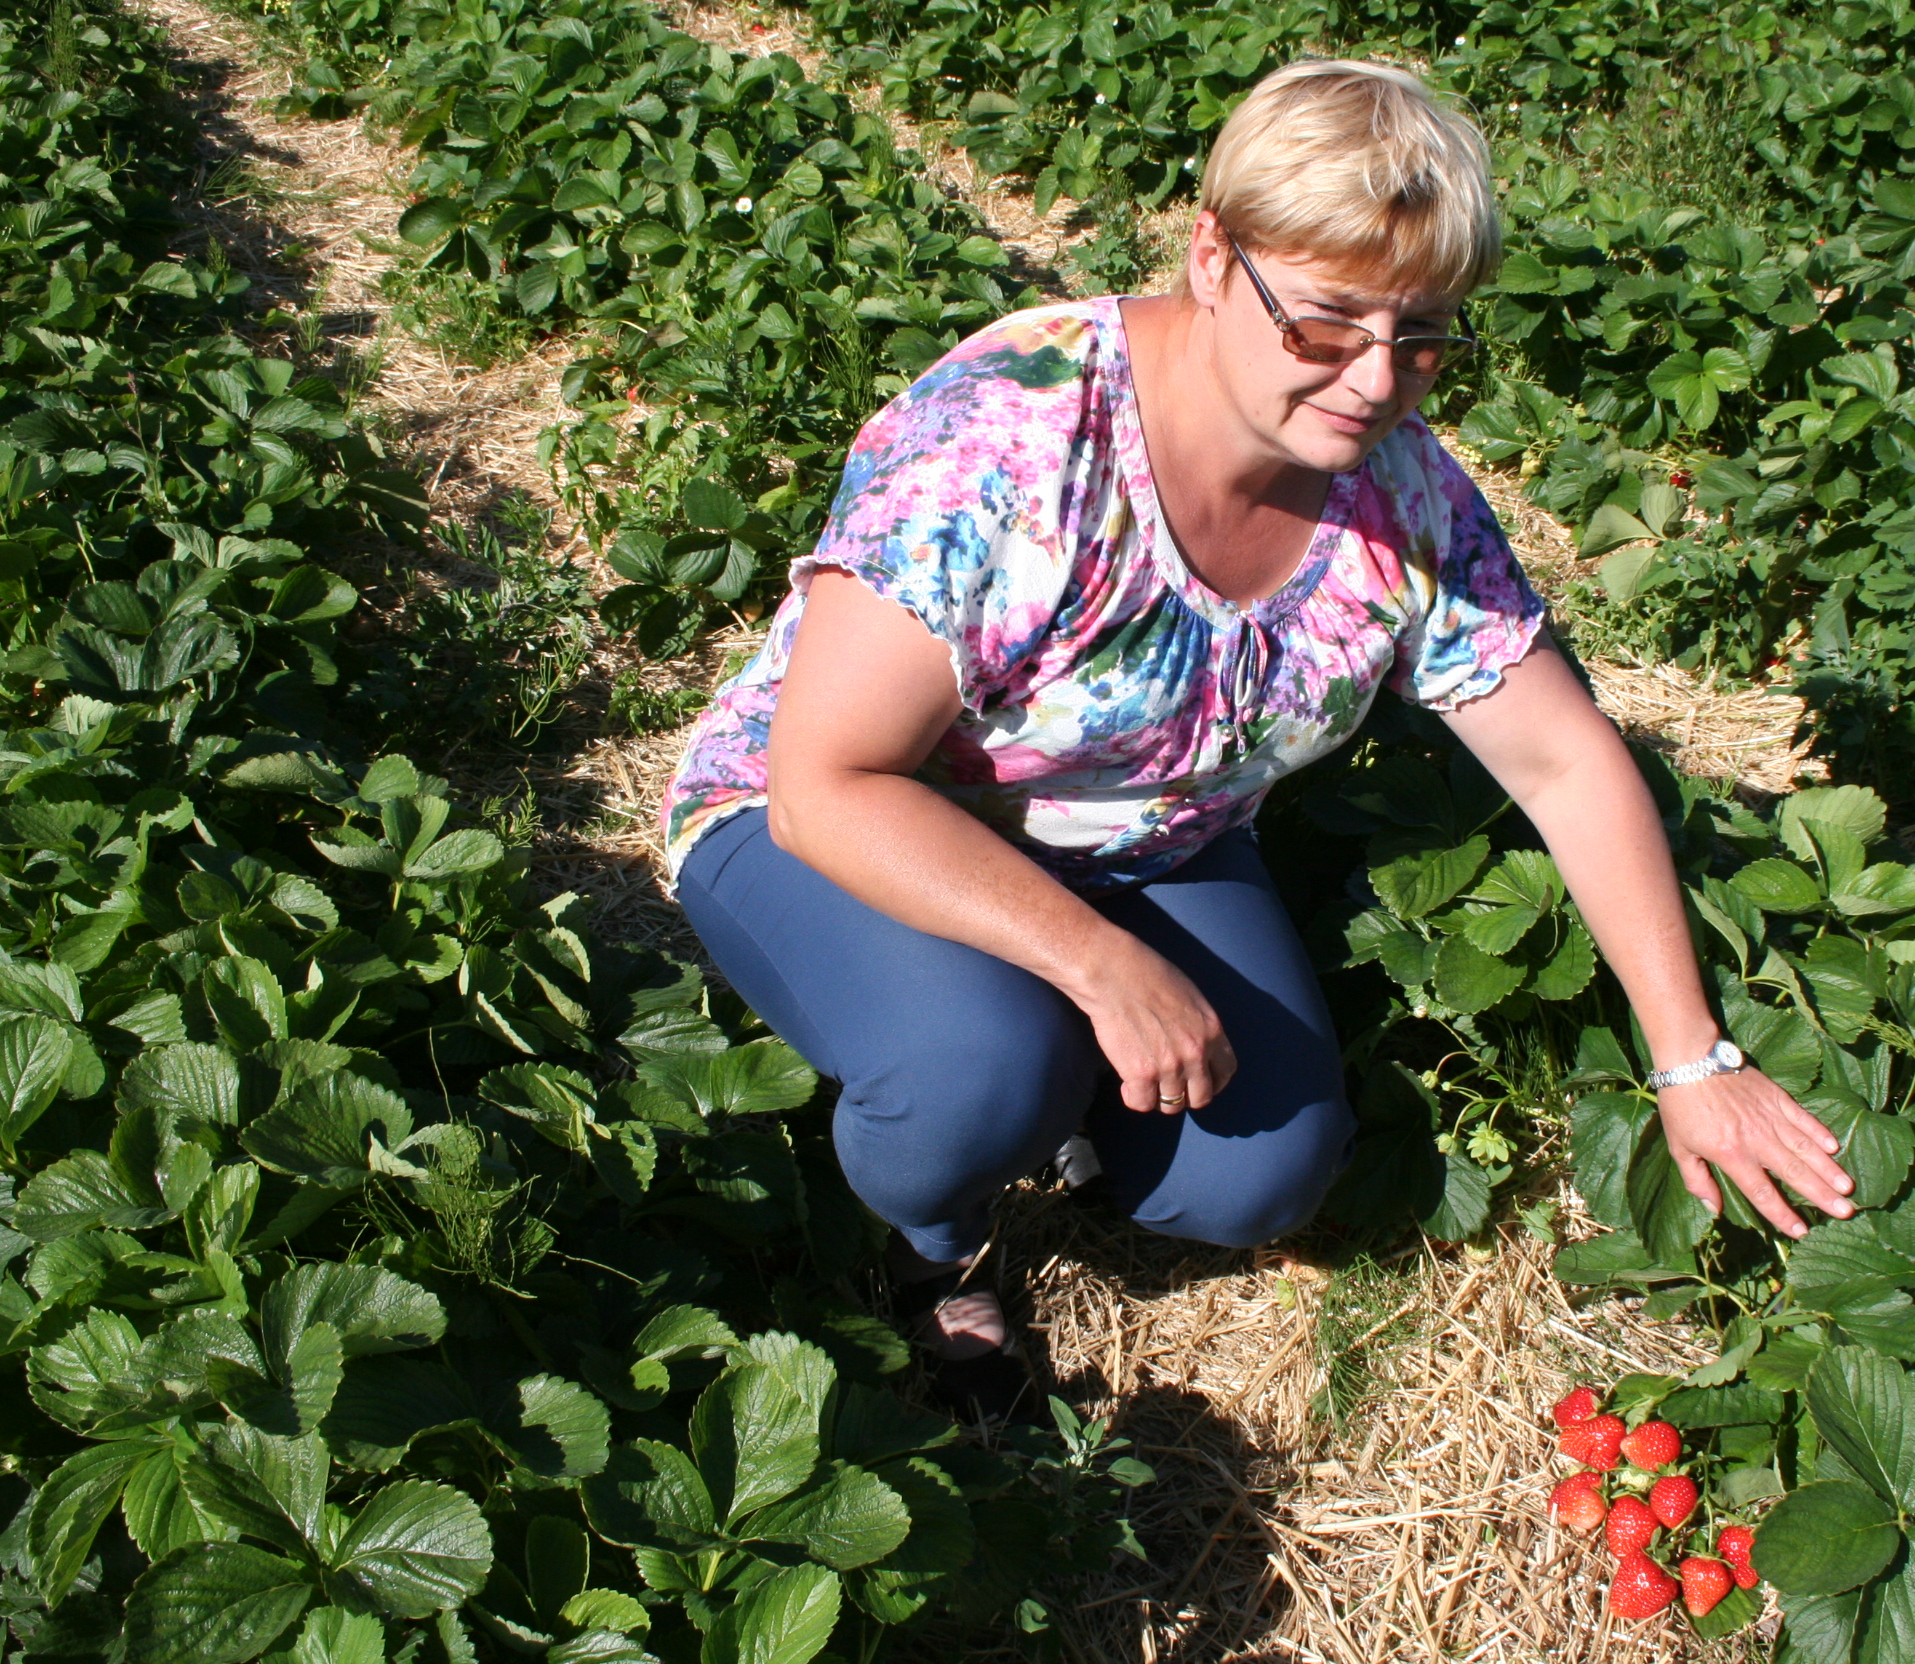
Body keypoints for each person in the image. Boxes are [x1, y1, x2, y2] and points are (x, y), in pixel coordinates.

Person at [661, 59, 1854, 1413]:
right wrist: (1102, 968)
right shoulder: (1007, 439)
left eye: (1424, 334)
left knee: (1262, 1174)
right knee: (977, 1072)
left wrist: (1691, 1057)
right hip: (839, 821)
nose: (1375, 380)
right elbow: (829, 786)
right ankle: (934, 1242)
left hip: (1144, 838)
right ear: (1213, 258)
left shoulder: (1400, 496)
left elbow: (1567, 760)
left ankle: (1058, 1098)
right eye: (1330, 322)